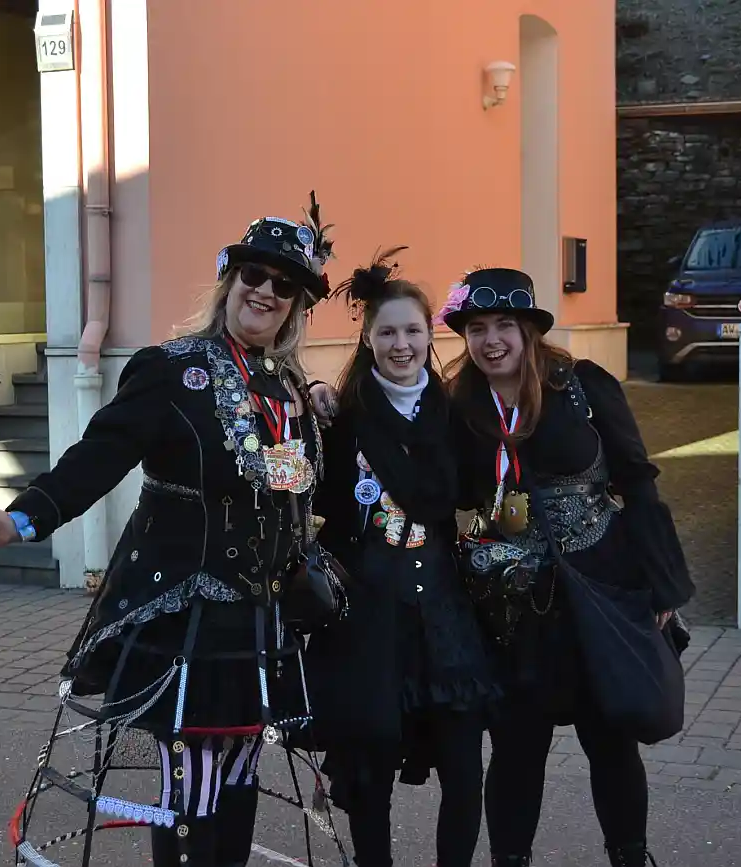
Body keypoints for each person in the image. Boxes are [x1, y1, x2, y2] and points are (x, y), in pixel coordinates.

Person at [0, 198, 337, 867]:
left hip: (259, 617)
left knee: (243, 770)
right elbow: (98, 456)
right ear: (229, 280)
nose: (266, 292)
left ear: (297, 306)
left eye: (285, 285)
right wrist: (20, 519)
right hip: (183, 615)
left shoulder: (289, 388)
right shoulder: (170, 369)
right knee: (190, 785)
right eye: (254, 274)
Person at [435, 269, 694, 867]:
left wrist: (662, 583)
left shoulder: (581, 386)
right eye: (477, 329)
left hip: (597, 593)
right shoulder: (458, 404)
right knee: (516, 749)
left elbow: (637, 479)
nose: (491, 340)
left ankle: (631, 857)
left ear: (528, 330)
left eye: (505, 325)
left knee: (611, 742)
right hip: (511, 609)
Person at [303, 249, 496, 867]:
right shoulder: (341, 417)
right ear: (368, 337)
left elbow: (480, 495)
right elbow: (316, 504)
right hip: (368, 620)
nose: (401, 344)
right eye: (387, 331)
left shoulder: (458, 413)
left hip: (445, 618)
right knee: (369, 777)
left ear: (430, 333)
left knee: (466, 773)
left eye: (413, 330)